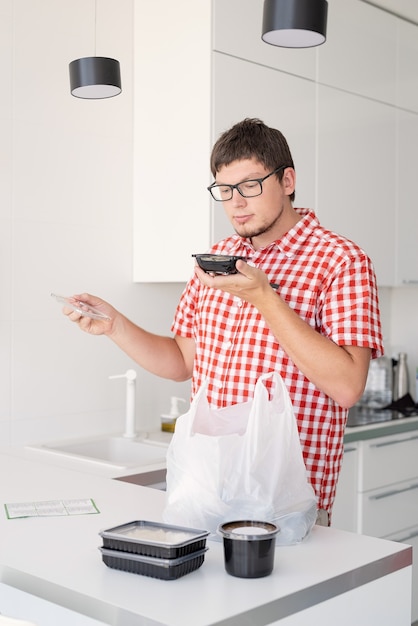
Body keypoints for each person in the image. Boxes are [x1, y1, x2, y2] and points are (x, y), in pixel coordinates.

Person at [63, 118, 383, 524]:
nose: (236, 202)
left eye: (250, 185)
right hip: (204, 488)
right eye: (225, 190)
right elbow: (182, 362)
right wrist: (114, 324)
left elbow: (347, 387)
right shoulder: (218, 258)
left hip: (286, 502)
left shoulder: (341, 261)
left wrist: (265, 298)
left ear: (287, 180)